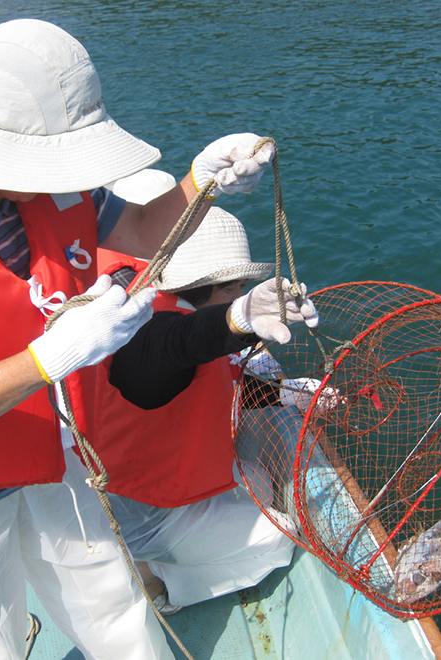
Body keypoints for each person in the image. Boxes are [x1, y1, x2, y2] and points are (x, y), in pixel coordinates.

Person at [0, 19, 276, 660]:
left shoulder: (43, 192)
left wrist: (203, 180)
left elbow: (146, 229)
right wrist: (53, 354)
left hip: (39, 441)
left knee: (111, 601)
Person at [87, 173, 322, 613]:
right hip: (141, 516)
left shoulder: (154, 301)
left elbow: (211, 383)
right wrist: (235, 321)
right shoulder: (149, 341)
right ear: (205, 288)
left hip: (149, 483)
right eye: (233, 289)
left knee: (256, 477)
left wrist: (295, 394)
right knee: (279, 539)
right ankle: (159, 587)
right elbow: (179, 343)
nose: (243, 296)